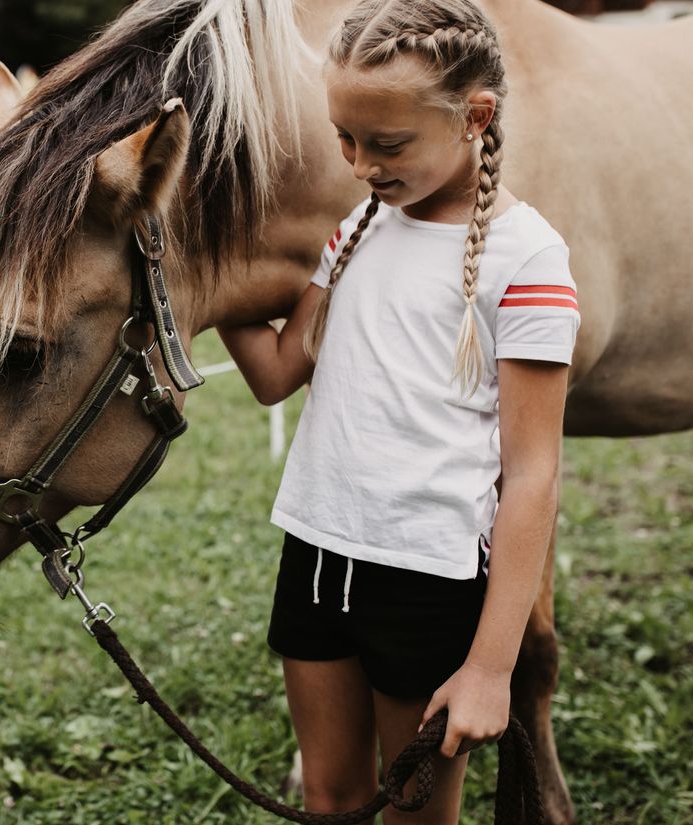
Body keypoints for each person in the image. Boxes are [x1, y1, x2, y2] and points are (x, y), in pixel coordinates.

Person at [217, 1, 579, 821]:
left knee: (415, 807)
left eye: (386, 145)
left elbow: (532, 475)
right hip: (315, 552)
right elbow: (278, 374)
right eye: (345, 138)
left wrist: (490, 668)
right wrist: (209, 282)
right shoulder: (357, 228)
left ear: (476, 118)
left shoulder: (530, 260)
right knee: (331, 796)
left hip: (429, 580)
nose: (359, 164)